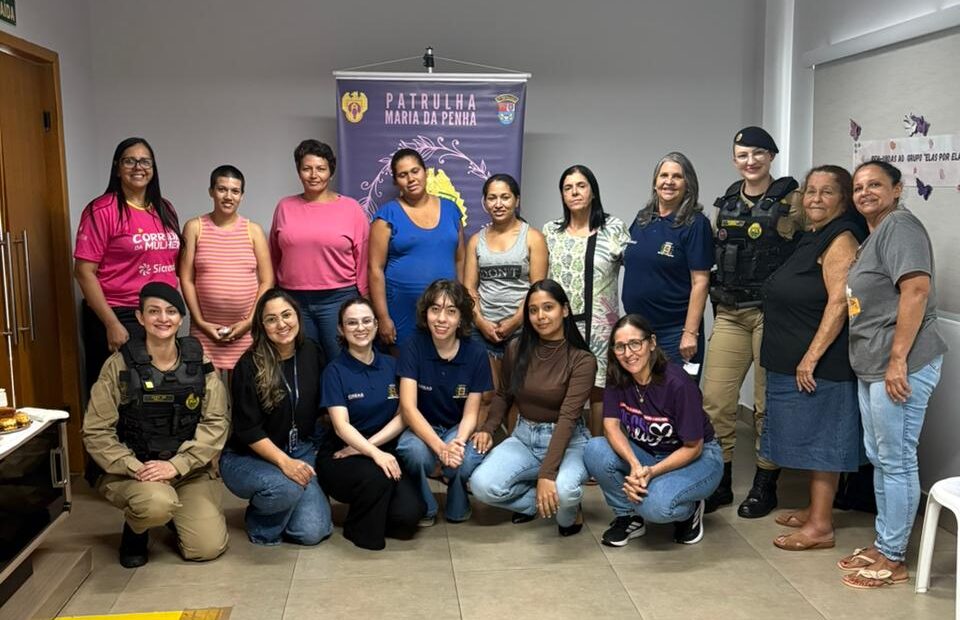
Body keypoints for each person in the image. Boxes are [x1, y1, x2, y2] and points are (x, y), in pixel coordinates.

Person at [839, 160, 946, 589]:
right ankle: (885, 543)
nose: (864, 192)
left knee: (896, 459)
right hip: (875, 365)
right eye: (858, 187)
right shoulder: (876, 233)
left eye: (875, 185)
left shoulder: (901, 226)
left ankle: (894, 557)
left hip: (900, 365)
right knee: (881, 457)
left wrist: (898, 359)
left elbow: (916, 290)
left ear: (897, 189)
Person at [81, 282, 228, 568]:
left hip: (187, 470)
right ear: (140, 317)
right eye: (153, 311)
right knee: (155, 504)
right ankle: (137, 529)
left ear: (181, 318)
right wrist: (137, 468)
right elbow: (96, 431)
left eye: (171, 311)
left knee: (207, 548)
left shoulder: (200, 364)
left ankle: (172, 511)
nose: (163, 318)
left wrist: (177, 465)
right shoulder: (119, 366)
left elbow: (216, 422)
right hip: (133, 471)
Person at [759, 165, 866, 551]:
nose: (816, 199)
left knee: (823, 442)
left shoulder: (842, 238)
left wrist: (810, 357)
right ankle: (814, 509)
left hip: (823, 363)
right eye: (811, 191)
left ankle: (821, 526)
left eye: (827, 192)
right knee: (809, 438)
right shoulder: (815, 234)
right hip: (794, 356)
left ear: (844, 199)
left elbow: (839, 303)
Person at [701, 126, 805, 518]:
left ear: (771, 157)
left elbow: (812, 248)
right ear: (734, 160)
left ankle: (765, 484)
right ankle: (720, 481)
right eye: (743, 155)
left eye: (758, 153)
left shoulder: (793, 200)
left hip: (771, 314)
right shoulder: (727, 202)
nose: (751, 161)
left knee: (766, 404)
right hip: (730, 311)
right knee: (716, 401)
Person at [470, 279, 596, 536]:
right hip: (525, 438)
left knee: (564, 494)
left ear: (564, 310)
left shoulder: (582, 360)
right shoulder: (516, 348)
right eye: (533, 310)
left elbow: (568, 418)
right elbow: (504, 394)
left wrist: (547, 475)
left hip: (569, 441)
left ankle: (566, 504)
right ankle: (541, 502)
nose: (540, 316)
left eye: (548, 307)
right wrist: (487, 428)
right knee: (481, 485)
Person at [584, 314, 722, 546]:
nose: (628, 353)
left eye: (635, 343)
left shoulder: (678, 383)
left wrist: (651, 472)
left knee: (655, 507)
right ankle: (629, 516)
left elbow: (694, 447)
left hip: (697, 458)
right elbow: (611, 426)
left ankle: (690, 509)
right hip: (649, 453)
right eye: (620, 347)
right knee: (594, 449)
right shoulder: (617, 376)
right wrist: (636, 466)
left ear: (652, 343)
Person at [218, 289, 332, 546]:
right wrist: (285, 463)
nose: (281, 324)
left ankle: (286, 504)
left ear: (298, 317)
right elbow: (248, 430)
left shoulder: (312, 351)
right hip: (249, 456)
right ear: (262, 326)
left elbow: (322, 408)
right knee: (285, 488)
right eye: (271, 319)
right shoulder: (249, 365)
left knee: (311, 532)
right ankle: (261, 524)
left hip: (300, 449)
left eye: (286, 315)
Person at [315, 298, 426, 549]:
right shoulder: (334, 371)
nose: (360, 328)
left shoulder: (392, 365)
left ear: (376, 325)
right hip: (342, 453)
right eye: (351, 323)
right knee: (377, 477)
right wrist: (372, 453)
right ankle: (358, 529)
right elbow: (341, 426)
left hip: (380, 448)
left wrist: (372, 448)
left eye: (366, 321)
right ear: (341, 329)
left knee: (410, 515)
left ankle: (373, 504)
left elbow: (403, 416)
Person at [74, 137, 181, 392]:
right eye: (129, 161)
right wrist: (111, 323)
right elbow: (83, 272)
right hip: (120, 314)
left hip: (160, 315)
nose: (138, 167)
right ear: (117, 167)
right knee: (118, 393)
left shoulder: (165, 209)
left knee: (157, 393)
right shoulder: (102, 210)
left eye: (145, 161)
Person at [542, 165, 630, 438]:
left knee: (599, 389)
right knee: (561, 387)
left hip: (602, 326)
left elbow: (639, 269)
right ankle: (562, 447)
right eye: (568, 188)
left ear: (593, 191)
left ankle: (598, 449)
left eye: (581, 186)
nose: (575, 192)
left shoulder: (613, 228)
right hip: (561, 325)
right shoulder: (551, 231)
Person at [396, 280, 493, 525]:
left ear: (461, 319)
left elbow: (471, 413)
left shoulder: (476, 353)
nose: (441, 319)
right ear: (425, 313)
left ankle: (458, 498)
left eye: (451, 311)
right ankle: (426, 506)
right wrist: (441, 449)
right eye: (435, 309)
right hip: (421, 428)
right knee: (412, 451)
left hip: (456, 428)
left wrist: (458, 443)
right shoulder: (413, 346)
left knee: (467, 458)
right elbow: (408, 408)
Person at [270, 140, 369, 360]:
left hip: (338, 298)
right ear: (299, 172)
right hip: (293, 300)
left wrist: (365, 300)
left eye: (321, 169)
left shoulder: (351, 208)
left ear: (331, 172)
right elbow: (274, 255)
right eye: (307, 168)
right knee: (304, 361)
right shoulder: (284, 206)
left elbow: (363, 259)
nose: (314, 175)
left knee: (340, 360)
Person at [463, 174, 548, 428]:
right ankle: (477, 448)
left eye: (505, 197)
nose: (498, 204)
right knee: (486, 395)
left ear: (516, 200)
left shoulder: (533, 238)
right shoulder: (476, 241)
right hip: (483, 329)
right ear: (485, 202)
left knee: (516, 395)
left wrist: (514, 322)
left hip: (521, 329)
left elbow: (537, 291)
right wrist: (480, 322)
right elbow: (469, 288)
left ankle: (512, 447)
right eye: (492, 198)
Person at [622, 153, 713, 378]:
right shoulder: (643, 219)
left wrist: (690, 333)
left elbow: (701, 282)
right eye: (663, 175)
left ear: (688, 184)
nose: (669, 182)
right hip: (638, 331)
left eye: (677, 176)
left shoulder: (695, 224)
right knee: (641, 394)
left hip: (674, 333)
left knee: (676, 395)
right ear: (655, 182)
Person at [369, 148, 465, 349]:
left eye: (415, 171)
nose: (411, 179)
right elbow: (375, 269)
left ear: (425, 172)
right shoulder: (386, 216)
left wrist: (461, 302)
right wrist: (383, 317)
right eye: (403, 175)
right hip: (402, 311)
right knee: (405, 363)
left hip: (445, 310)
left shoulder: (451, 209)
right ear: (396, 181)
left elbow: (460, 259)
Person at [180, 165, 273, 371]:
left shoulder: (253, 231)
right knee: (207, 387)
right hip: (205, 330)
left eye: (235, 191)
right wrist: (200, 322)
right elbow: (186, 278)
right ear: (211, 191)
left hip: (246, 330)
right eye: (222, 189)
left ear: (242, 196)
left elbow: (268, 280)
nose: (228, 196)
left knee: (242, 386)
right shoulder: (194, 227)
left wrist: (250, 322)